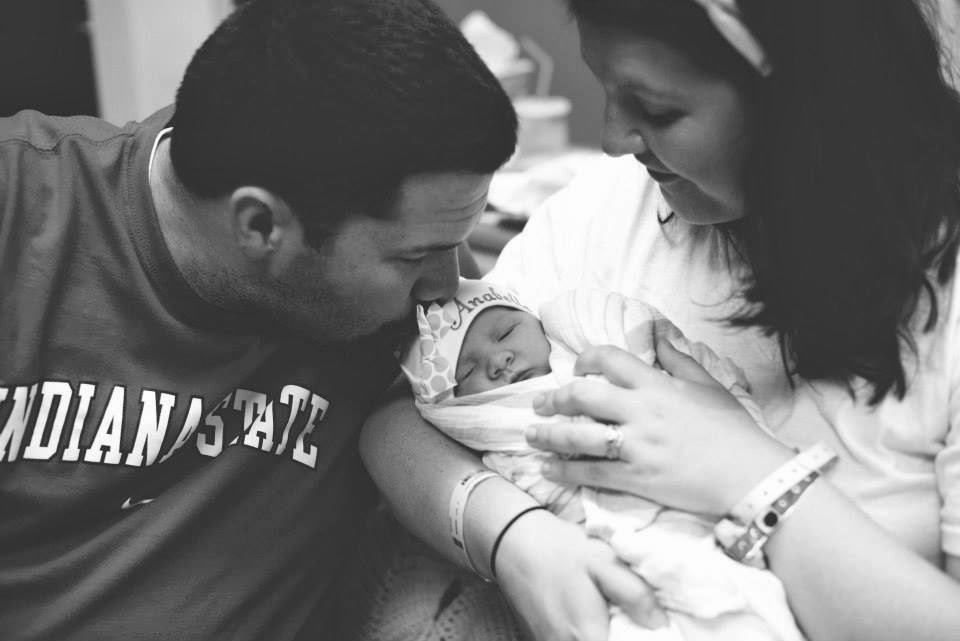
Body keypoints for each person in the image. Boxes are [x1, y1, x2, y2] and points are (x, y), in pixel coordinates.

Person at [360, 1, 960, 640]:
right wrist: (510, 534)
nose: (612, 139)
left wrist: (751, 475)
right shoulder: (607, 212)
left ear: (804, 103)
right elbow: (405, 419)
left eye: (658, 110)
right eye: (606, 89)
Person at [0, 0, 517, 639]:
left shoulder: (416, 293)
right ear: (261, 225)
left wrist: (514, 535)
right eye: (415, 256)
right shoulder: (22, 210)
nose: (446, 285)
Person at [400, 278, 804, 641]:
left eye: (506, 331)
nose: (499, 359)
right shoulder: (499, 444)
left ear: (535, 321)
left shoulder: (594, 355)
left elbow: (697, 375)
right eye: (469, 369)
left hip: (722, 517)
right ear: (458, 408)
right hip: (618, 566)